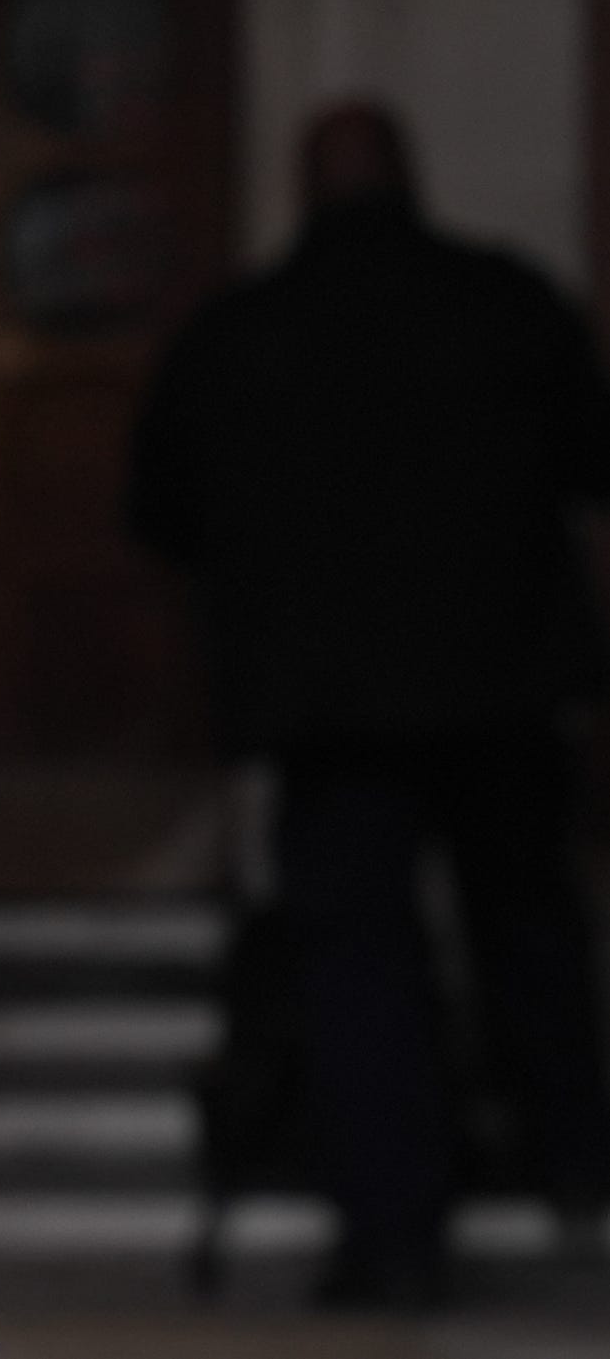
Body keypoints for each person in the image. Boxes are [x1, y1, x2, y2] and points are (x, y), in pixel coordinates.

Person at [131, 101, 610, 1307]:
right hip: (499, 689)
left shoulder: (241, 334)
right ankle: (572, 1164)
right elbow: (590, 460)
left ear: (304, 188)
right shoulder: (505, 305)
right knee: (528, 928)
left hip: (327, 707)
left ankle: (395, 1231)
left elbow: (161, 510)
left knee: (358, 967)